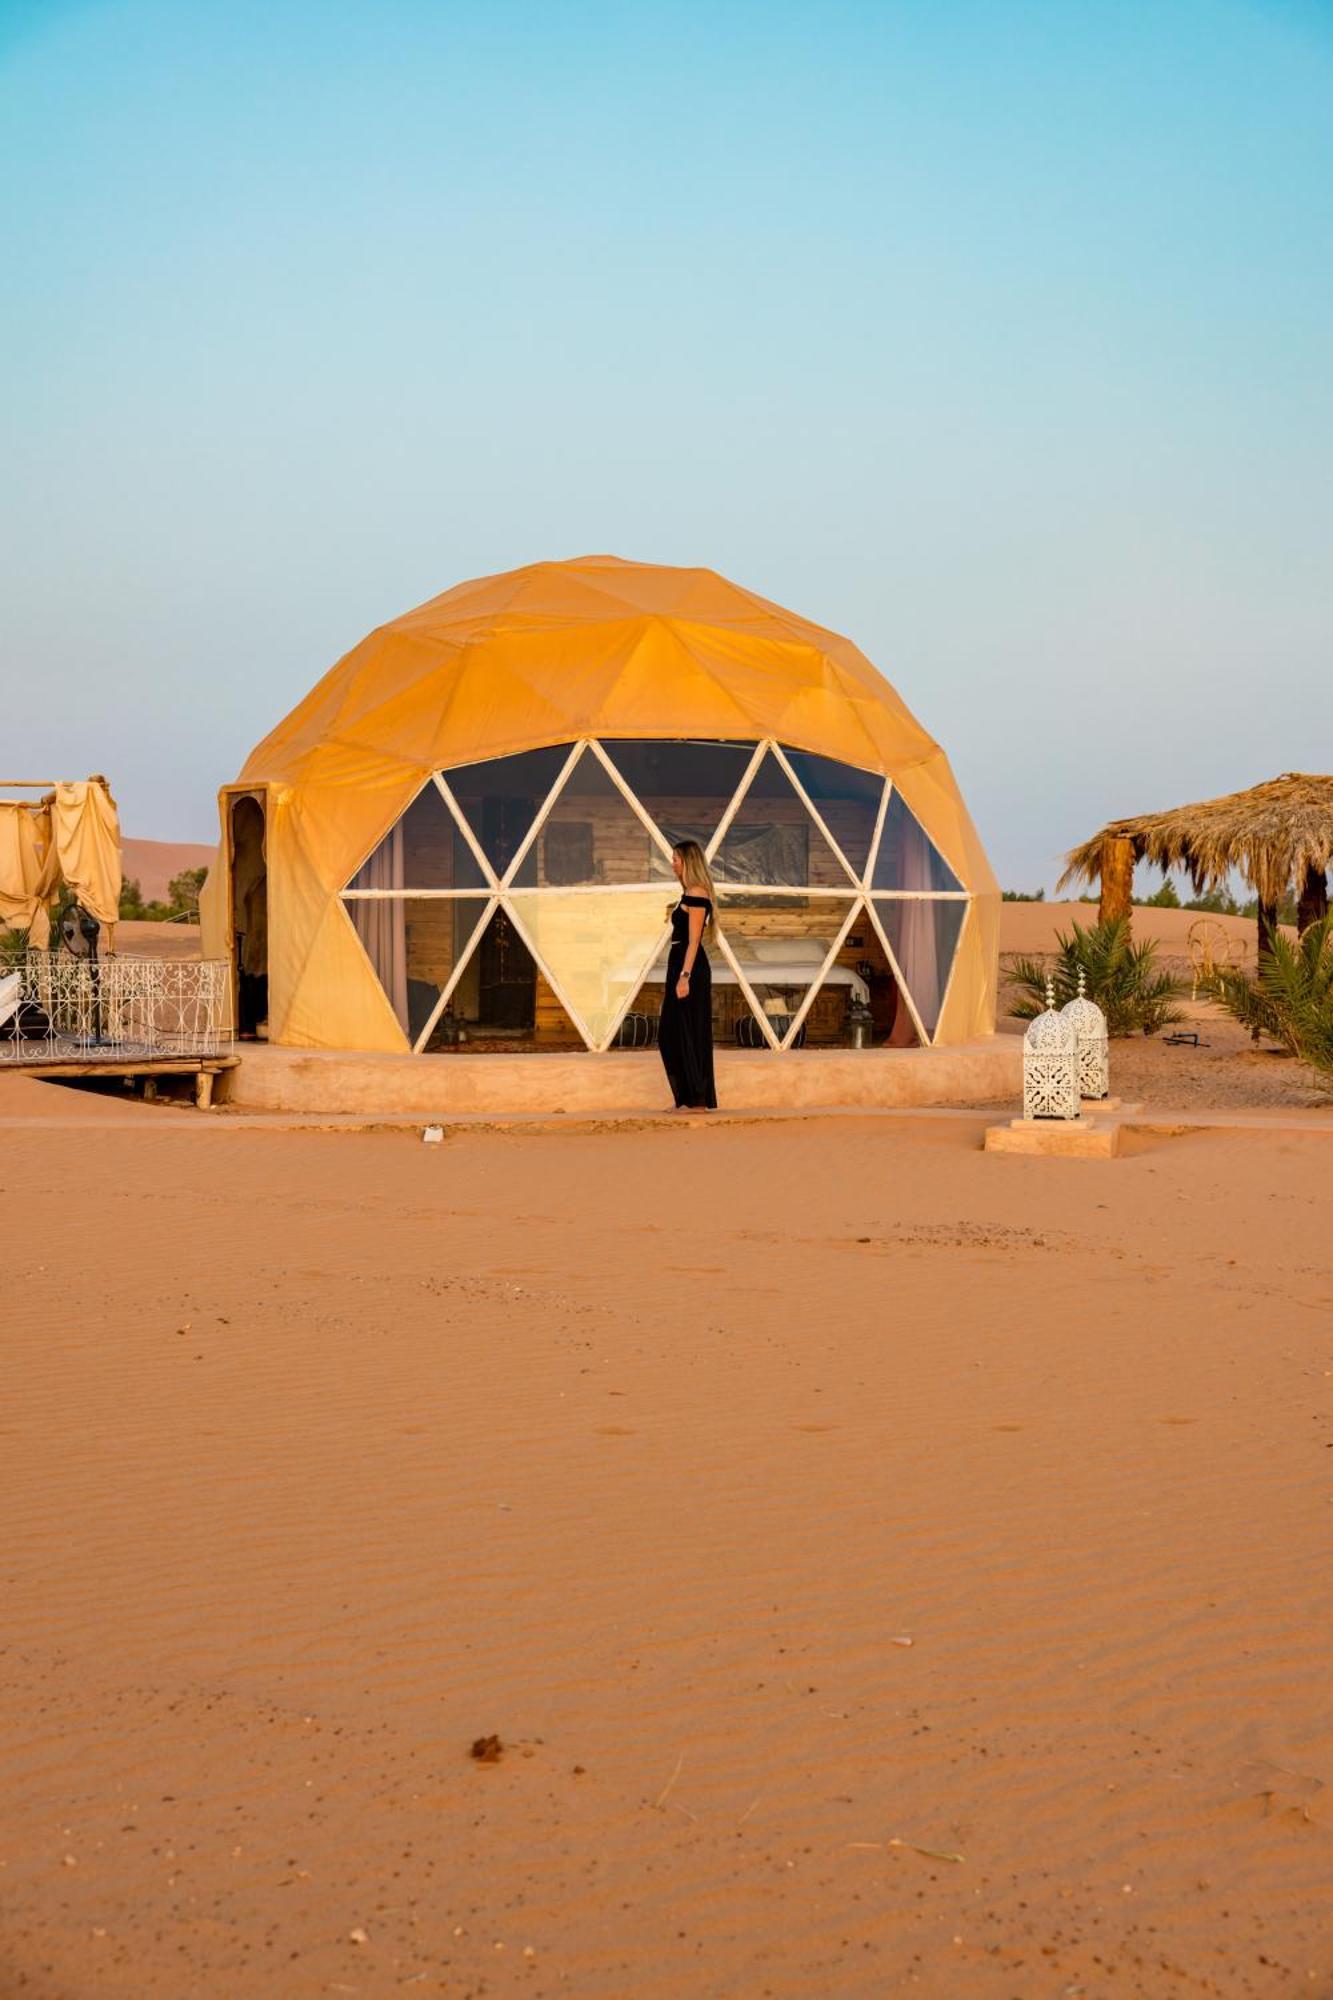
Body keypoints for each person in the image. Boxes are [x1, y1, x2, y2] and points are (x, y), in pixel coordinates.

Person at [658, 840, 717, 1110]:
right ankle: (685, 1098)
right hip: (678, 963)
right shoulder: (688, 893)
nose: (673, 865)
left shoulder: (697, 892)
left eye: (676, 860)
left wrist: (685, 976)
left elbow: (694, 940)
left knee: (687, 1030)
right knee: (672, 1031)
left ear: (688, 862)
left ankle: (697, 1099)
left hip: (688, 966)